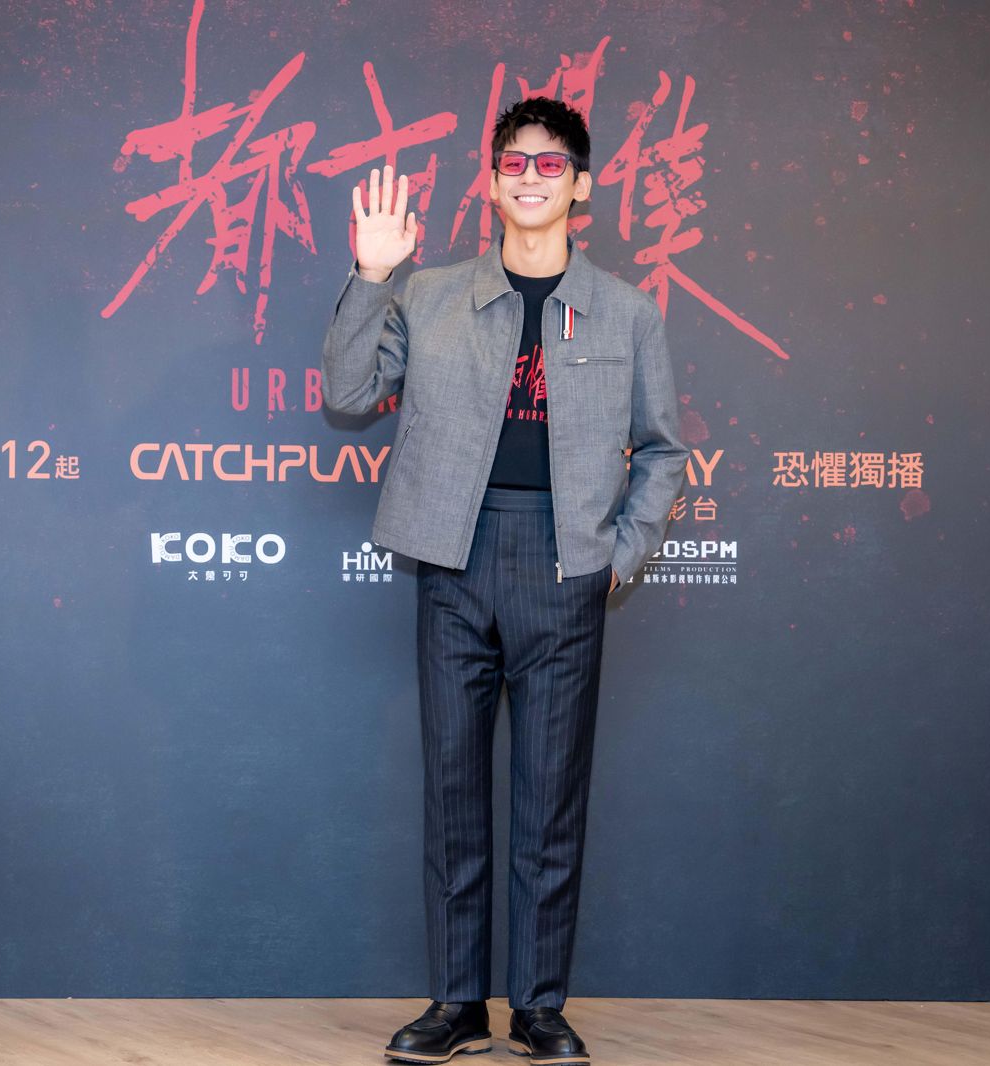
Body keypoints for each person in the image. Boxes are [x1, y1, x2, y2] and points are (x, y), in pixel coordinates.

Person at [321, 97, 691, 1066]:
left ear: (582, 185)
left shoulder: (628, 312)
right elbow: (348, 396)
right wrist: (372, 275)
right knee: (453, 793)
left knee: (548, 799)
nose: (530, 177)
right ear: (491, 183)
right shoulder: (431, 294)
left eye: (550, 163)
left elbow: (661, 450)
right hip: (454, 557)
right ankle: (455, 1003)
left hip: (567, 564)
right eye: (513, 162)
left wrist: (618, 555)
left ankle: (537, 1006)